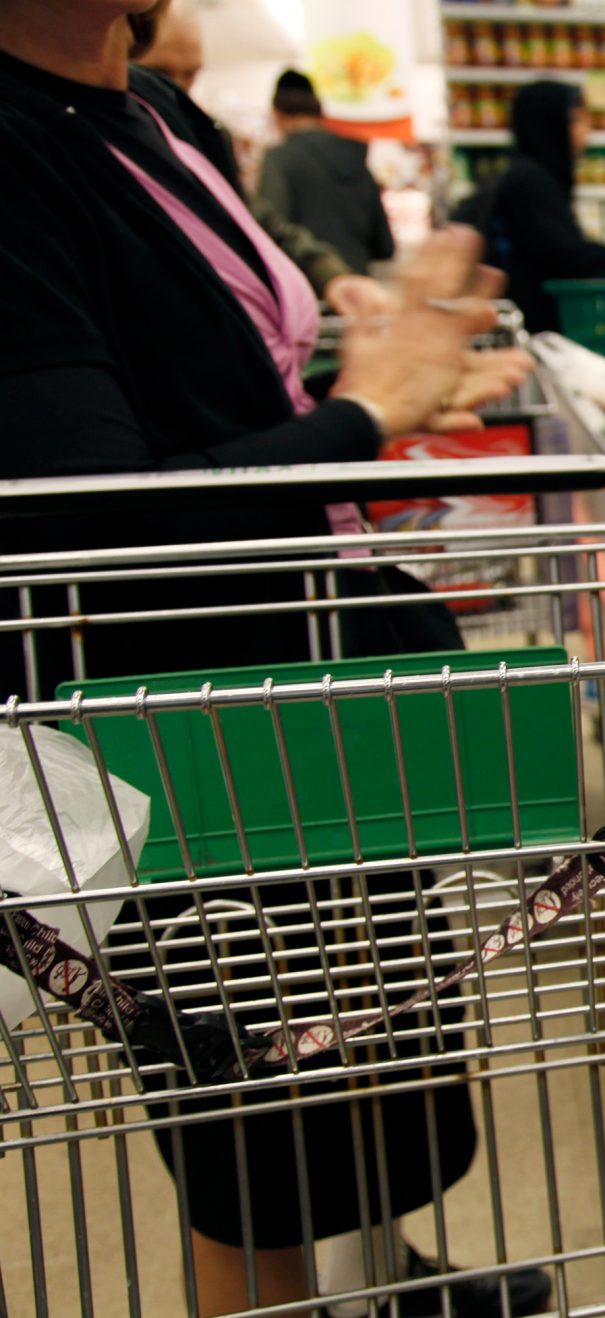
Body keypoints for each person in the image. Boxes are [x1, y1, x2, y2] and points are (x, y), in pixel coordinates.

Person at [0, 3, 545, 1315]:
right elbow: (76, 512)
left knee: (349, 1097)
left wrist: (341, 347)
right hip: (182, 730)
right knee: (250, 1146)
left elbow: (192, 374)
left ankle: (377, 1284)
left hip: (292, 689)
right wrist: (365, 413)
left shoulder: (140, 109)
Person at [134, 3, 385, 314]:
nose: (178, 89)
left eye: (191, 73)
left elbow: (256, 220)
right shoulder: (108, 141)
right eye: (159, 73)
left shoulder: (202, 137)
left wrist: (330, 275)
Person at [454, 79, 605, 333]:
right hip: (529, 329)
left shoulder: (524, 176)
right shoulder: (530, 182)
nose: (586, 133)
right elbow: (572, 257)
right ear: (550, 124)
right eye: (576, 121)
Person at [258, 69, 398, 278]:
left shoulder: (279, 160)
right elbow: (384, 246)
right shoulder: (357, 158)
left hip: (310, 292)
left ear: (278, 115)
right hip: (360, 291)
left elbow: (270, 235)